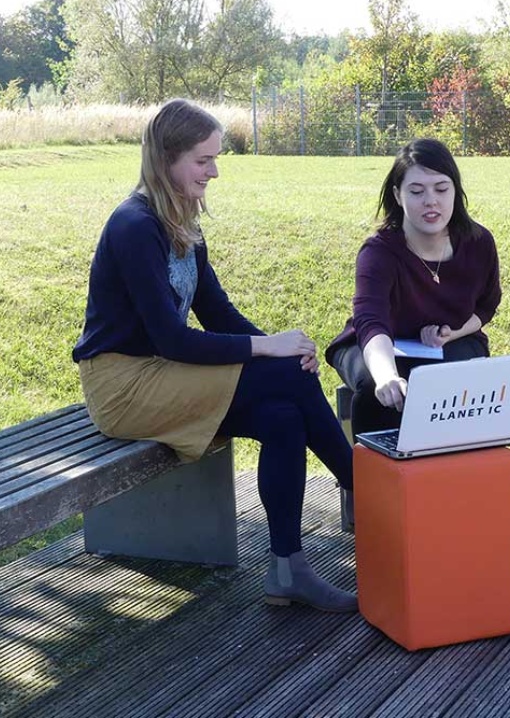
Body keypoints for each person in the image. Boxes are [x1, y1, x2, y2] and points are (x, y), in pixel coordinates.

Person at [73, 98, 357, 613]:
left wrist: (282, 352)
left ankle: (287, 571)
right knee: (288, 384)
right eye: (203, 160)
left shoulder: (182, 222)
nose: (215, 171)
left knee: (282, 415)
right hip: (121, 386)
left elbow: (217, 313)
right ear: (167, 159)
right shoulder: (134, 227)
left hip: (163, 373)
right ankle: (369, 490)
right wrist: (271, 350)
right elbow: (172, 339)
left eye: (215, 158)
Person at [326, 138, 501, 437]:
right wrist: (385, 376)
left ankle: (449, 476)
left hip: (452, 343)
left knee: (454, 378)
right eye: (417, 191)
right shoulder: (379, 252)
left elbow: (486, 306)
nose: (431, 201)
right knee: (377, 388)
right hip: (375, 345)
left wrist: (451, 334)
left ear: (456, 191)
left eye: (441, 189)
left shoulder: (478, 242)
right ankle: (370, 479)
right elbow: (371, 322)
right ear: (397, 195)